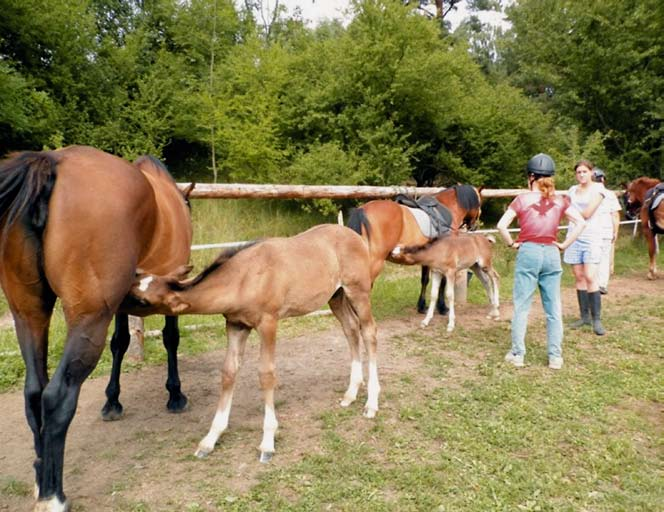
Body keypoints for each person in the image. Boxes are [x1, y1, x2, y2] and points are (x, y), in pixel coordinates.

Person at [497, 153, 586, 370]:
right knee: (553, 306)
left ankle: (518, 353)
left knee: (522, 305)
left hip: (528, 251)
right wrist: (564, 245)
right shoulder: (561, 200)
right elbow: (581, 222)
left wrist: (512, 243)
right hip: (552, 254)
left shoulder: (522, 199)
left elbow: (501, 226)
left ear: (531, 177)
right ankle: (555, 356)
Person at [563, 160, 607, 335]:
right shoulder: (572, 191)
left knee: (590, 275)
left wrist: (570, 213)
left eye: (584, 171)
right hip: (574, 237)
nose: (581, 175)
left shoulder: (599, 190)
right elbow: (565, 210)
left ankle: (597, 319)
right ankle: (584, 316)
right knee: (579, 276)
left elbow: (588, 213)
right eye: (578, 172)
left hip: (591, 237)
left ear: (591, 172)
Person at [592, 168, 621, 294]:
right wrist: (615, 231)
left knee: (592, 257)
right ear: (603, 179)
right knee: (604, 258)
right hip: (606, 230)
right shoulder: (610, 194)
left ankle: (592, 283)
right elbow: (615, 215)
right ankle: (602, 284)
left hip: (591, 230)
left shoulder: (588, 192)